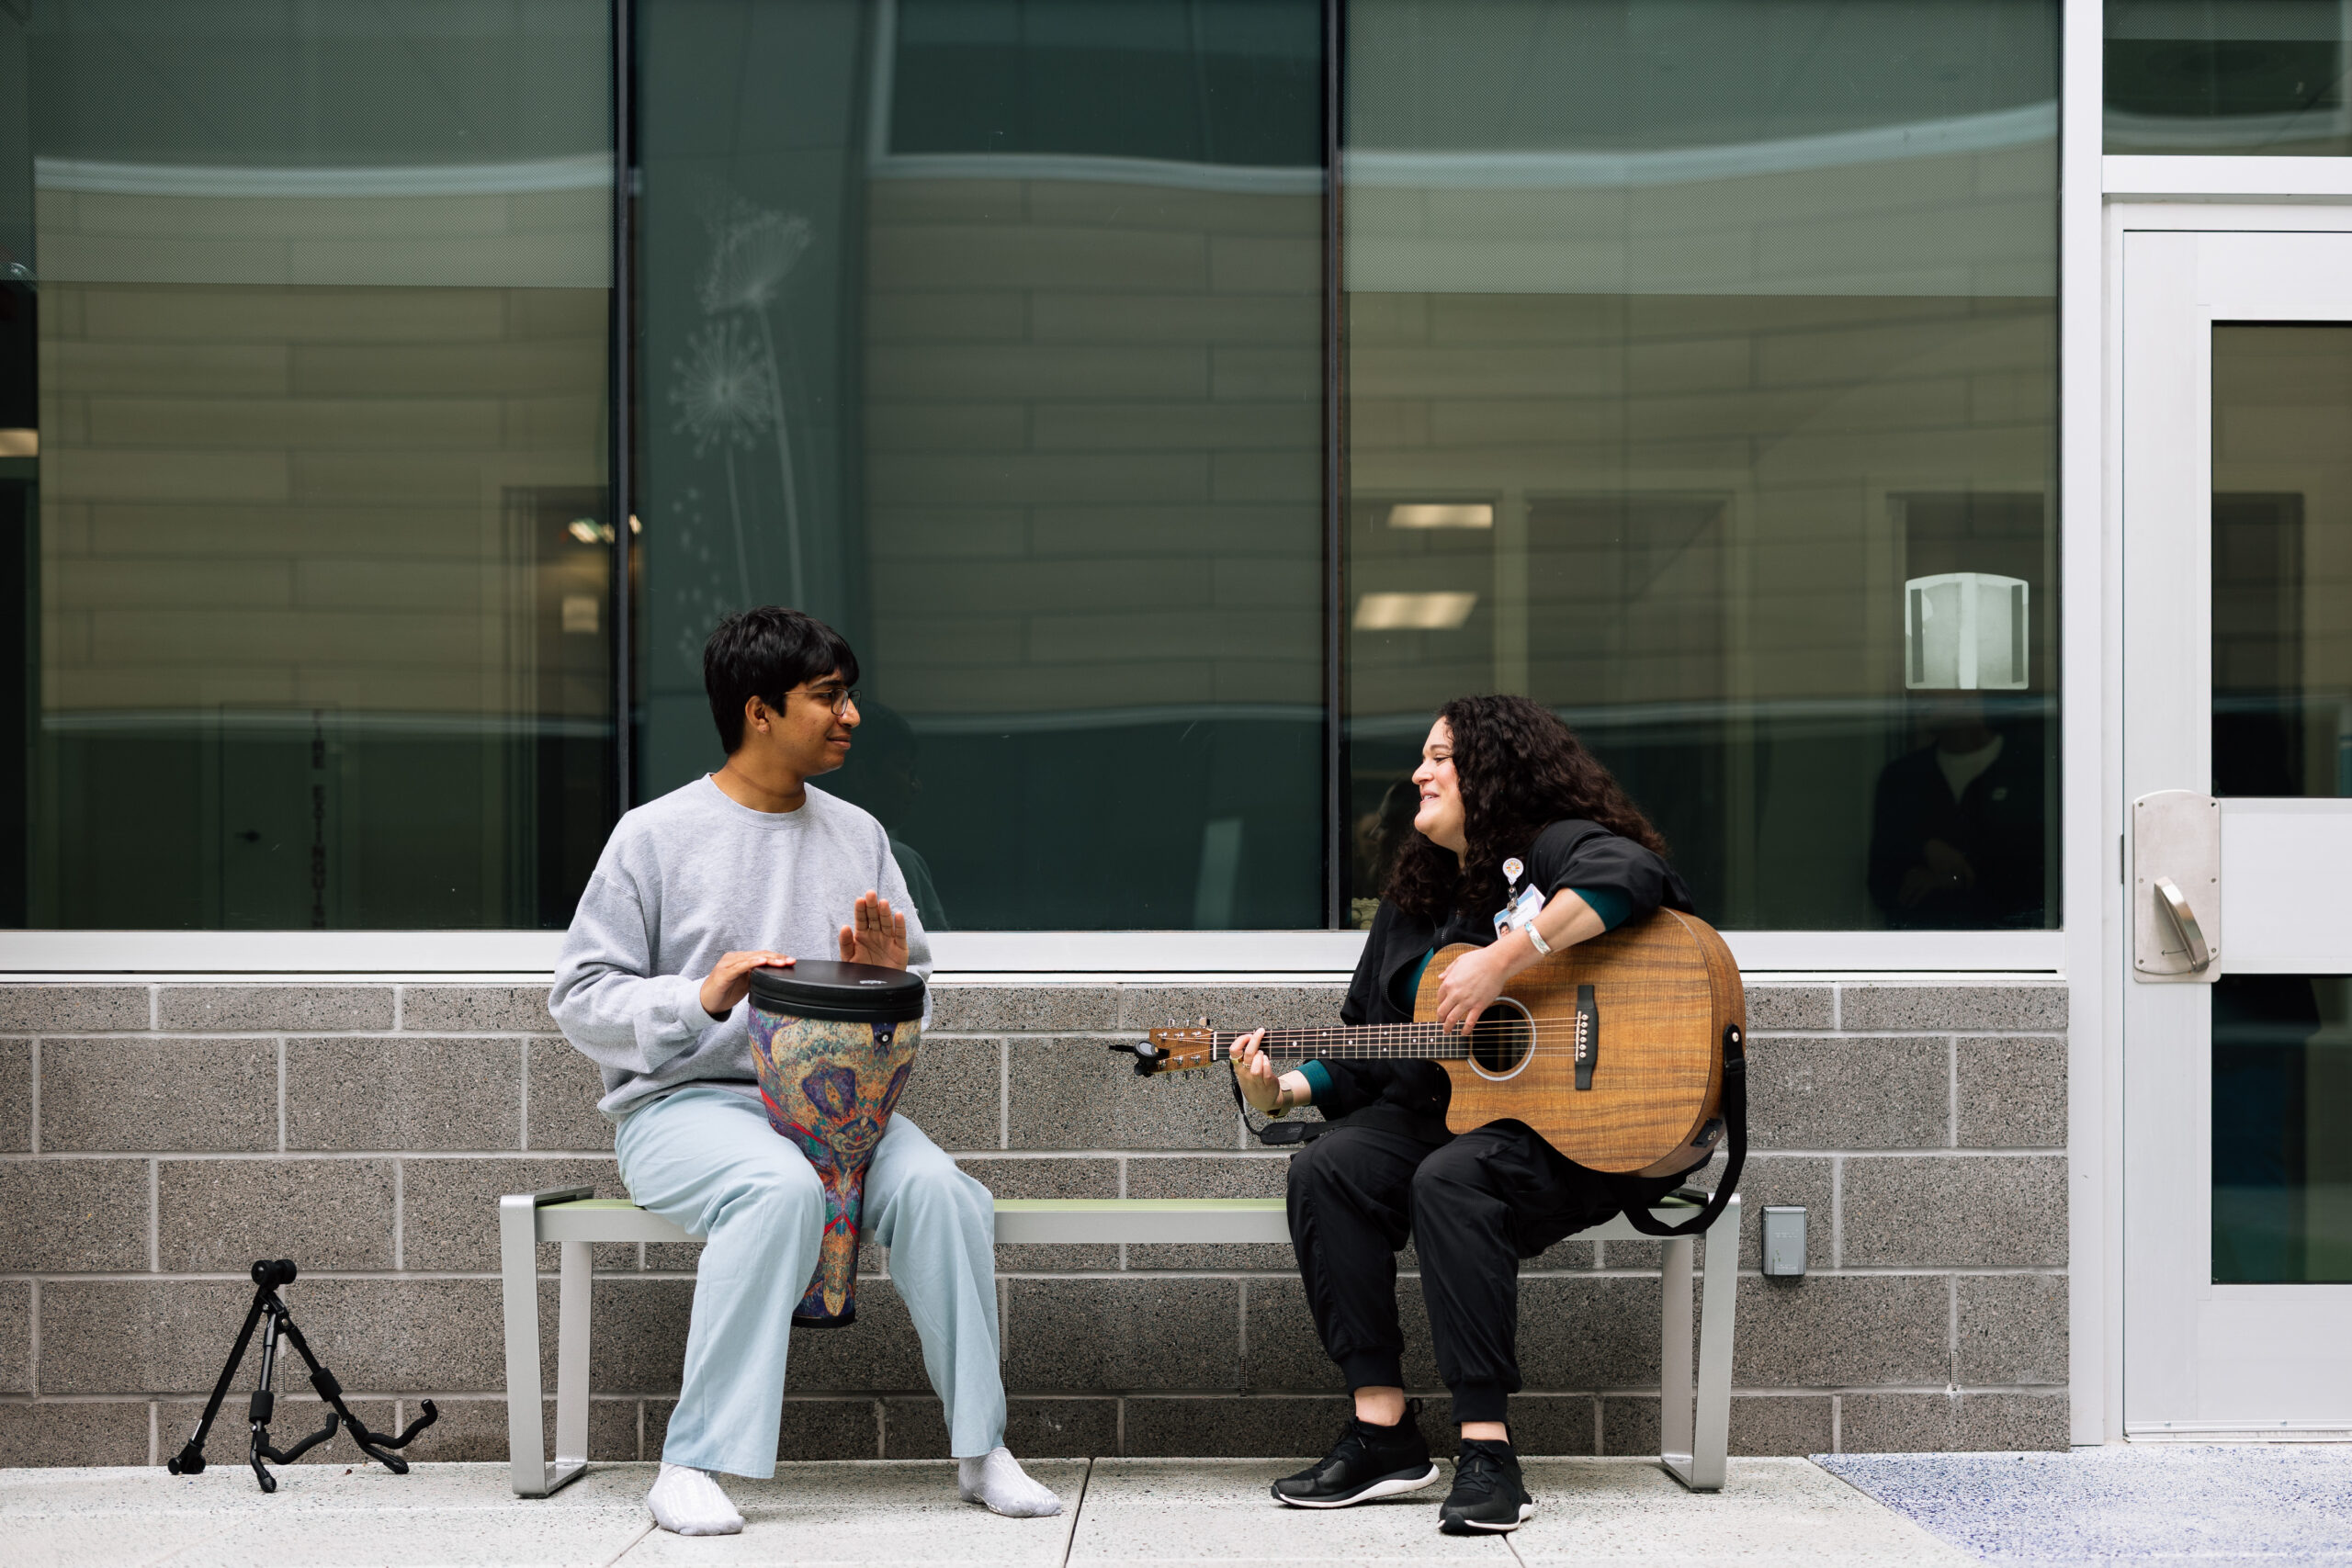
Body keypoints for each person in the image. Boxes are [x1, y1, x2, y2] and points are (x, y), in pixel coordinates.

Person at [550, 606, 1059, 1536]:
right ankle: (691, 1460)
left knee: (946, 1194)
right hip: (684, 1107)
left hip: (841, 1109)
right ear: (759, 711)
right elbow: (579, 996)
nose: (851, 715)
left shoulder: (860, 835)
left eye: (848, 696)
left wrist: (888, 980)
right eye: (827, 698)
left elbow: (919, 1001)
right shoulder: (654, 836)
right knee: (775, 1189)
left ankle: (982, 1449)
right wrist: (697, 999)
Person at [1229, 694, 1704, 1536]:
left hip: (1580, 1131)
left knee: (1450, 1179)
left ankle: (1489, 1451)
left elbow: (1631, 874)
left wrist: (1505, 959)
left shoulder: (1552, 846)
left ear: (1495, 768)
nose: (1419, 772)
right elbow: (1369, 1051)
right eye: (1423, 757)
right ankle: (1384, 1434)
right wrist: (1281, 1090)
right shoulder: (1414, 901)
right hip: (1452, 1116)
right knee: (1327, 1168)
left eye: (1440, 756)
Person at [1866, 694, 2046, 929]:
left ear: (1971, 697)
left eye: (1937, 689)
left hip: (2011, 946)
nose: (1923, 700)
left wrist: (1953, 878)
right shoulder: (1902, 777)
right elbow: (1880, 882)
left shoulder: (2031, 769)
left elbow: (2044, 878)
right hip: (1921, 947)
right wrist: (1924, 847)